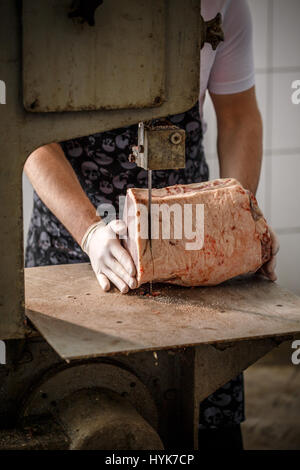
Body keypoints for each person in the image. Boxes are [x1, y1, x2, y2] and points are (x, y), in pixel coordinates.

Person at [24, 0, 279, 449]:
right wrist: (90, 231)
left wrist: (236, 217)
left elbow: (239, 117)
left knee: (203, 410)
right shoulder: (46, 10)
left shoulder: (221, 8)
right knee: (63, 393)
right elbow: (31, 137)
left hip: (187, 226)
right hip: (69, 228)